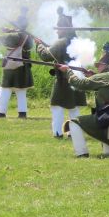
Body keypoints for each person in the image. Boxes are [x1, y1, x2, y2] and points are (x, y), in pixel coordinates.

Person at [34, 9, 87, 137]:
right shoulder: (77, 41)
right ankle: (74, 132)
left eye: (58, 28)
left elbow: (46, 56)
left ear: (63, 29)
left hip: (63, 80)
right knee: (74, 108)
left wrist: (39, 45)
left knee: (57, 107)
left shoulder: (61, 42)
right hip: (77, 78)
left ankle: (57, 132)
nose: (57, 31)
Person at [0, 9, 33, 119]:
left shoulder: (13, 36)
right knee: (21, 90)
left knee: (5, 89)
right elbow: (20, 34)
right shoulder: (28, 36)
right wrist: (10, 30)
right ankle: (22, 113)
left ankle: (1, 113)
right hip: (24, 66)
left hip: (11, 66)